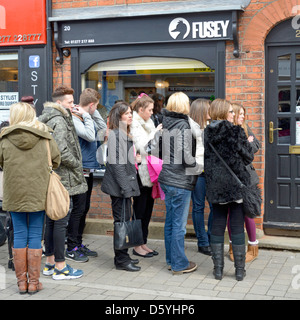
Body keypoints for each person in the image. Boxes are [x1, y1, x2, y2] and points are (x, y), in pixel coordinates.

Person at [0, 102, 61, 294]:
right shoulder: (45, 137)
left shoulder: (4, 139)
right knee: (35, 234)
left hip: (14, 192)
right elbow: (57, 160)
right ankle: (34, 283)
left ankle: (21, 283)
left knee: (19, 233)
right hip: (38, 191)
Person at [39, 85, 87, 279]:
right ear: (58, 103)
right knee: (60, 222)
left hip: (56, 177)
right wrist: (76, 164)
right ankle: (61, 267)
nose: (73, 105)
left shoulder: (53, 117)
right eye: (69, 102)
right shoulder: (59, 119)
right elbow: (60, 150)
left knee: (51, 221)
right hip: (63, 178)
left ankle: (50, 263)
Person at [204, 98, 254, 281]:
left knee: (217, 223)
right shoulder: (236, 131)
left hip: (215, 185)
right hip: (235, 184)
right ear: (225, 113)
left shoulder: (207, 132)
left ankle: (218, 270)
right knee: (236, 224)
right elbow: (248, 157)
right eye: (231, 111)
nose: (233, 114)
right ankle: (239, 271)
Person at [158, 92, 199, 275]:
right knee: (179, 225)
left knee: (170, 222)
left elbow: (159, 150)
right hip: (179, 180)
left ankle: (171, 260)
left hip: (167, 178)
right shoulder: (183, 124)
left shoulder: (166, 122)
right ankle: (179, 264)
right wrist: (198, 167)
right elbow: (185, 156)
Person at [101, 101, 141, 272]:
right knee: (121, 223)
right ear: (119, 117)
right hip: (120, 188)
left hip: (125, 185)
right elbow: (117, 166)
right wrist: (126, 189)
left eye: (131, 112)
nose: (130, 115)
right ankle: (121, 260)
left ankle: (124, 256)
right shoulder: (117, 135)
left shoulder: (123, 134)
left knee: (125, 220)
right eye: (126, 113)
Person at [71, 88, 106, 257]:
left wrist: (92, 113)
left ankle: (78, 243)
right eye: (96, 106)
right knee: (78, 208)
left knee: (84, 208)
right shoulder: (76, 117)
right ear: (91, 104)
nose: (97, 109)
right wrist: (86, 114)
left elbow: (103, 129)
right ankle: (72, 246)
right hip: (80, 169)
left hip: (89, 168)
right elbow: (90, 136)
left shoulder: (88, 115)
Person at [227, 103, 260, 263]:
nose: (242, 117)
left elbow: (256, 145)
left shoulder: (246, 128)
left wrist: (246, 144)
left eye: (243, 114)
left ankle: (253, 247)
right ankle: (232, 247)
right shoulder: (228, 131)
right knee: (231, 214)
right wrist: (246, 144)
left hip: (247, 178)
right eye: (239, 114)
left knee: (248, 213)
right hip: (231, 179)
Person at [130, 93, 162, 258]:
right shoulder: (134, 124)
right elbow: (142, 146)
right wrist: (155, 134)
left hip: (149, 171)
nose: (152, 112)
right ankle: (137, 245)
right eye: (149, 110)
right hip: (140, 173)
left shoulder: (148, 122)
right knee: (140, 209)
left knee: (148, 209)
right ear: (140, 109)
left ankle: (143, 242)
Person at [189, 99, 213, 256]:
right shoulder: (190, 130)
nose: (211, 112)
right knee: (198, 207)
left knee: (214, 206)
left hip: (211, 173)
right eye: (209, 109)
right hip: (197, 173)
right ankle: (202, 242)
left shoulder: (211, 128)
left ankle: (211, 238)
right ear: (202, 111)